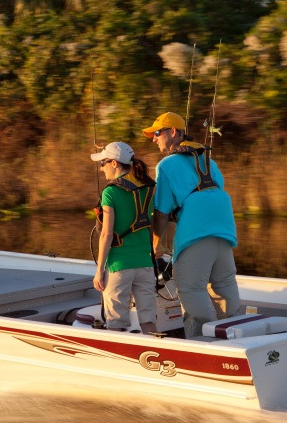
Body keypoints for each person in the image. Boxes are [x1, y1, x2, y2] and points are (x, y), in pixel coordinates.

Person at [142, 112, 242, 338]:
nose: (154, 138)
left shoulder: (165, 165)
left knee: (189, 289)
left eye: (157, 133)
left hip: (195, 232)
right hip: (224, 230)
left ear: (173, 133)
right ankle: (237, 331)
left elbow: (161, 213)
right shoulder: (210, 161)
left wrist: (157, 245)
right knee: (225, 285)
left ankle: (205, 339)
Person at [91, 141, 158, 334]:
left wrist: (99, 270)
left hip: (118, 265)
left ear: (114, 163)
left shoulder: (110, 192)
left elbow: (106, 234)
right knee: (148, 320)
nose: (101, 168)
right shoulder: (148, 188)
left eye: (103, 163)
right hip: (145, 263)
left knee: (116, 322)